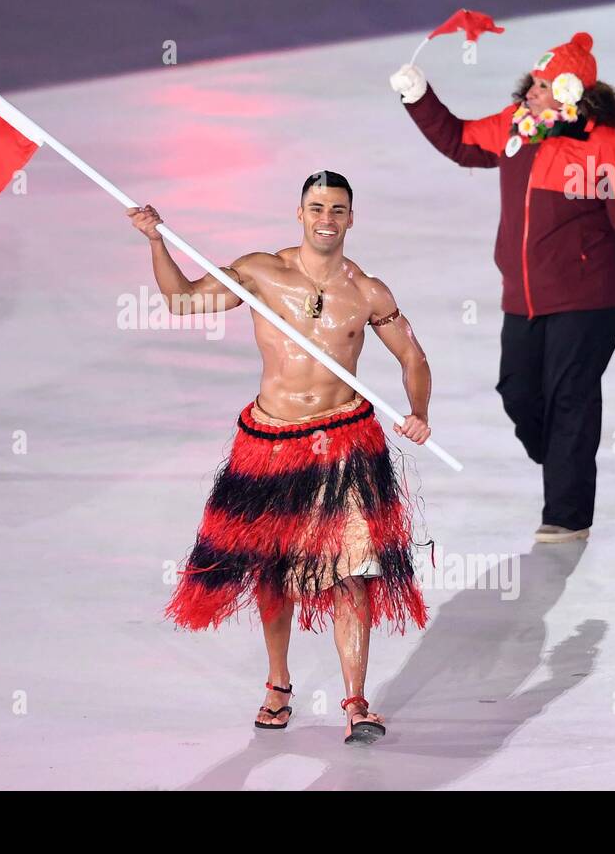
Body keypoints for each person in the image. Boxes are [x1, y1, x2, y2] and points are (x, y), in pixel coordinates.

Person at [128, 172, 432, 745]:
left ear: (350, 218)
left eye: (337, 209)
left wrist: (418, 410)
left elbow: (413, 356)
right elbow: (183, 300)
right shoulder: (260, 271)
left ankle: (357, 703)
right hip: (270, 441)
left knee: (354, 574)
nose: (327, 218)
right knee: (273, 573)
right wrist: (156, 241)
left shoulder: (368, 292)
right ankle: (278, 684)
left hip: (345, 441)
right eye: (317, 207)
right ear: (299, 213)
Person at [389, 32, 615, 543]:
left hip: (589, 299)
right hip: (522, 296)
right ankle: (565, 457)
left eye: (544, 85)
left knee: (571, 400)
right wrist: (419, 97)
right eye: (533, 82)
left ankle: (566, 516)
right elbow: (459, 141)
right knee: (518, 391)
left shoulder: (610, 148)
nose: (531, 92)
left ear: (571, 90)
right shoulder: (514, 130)